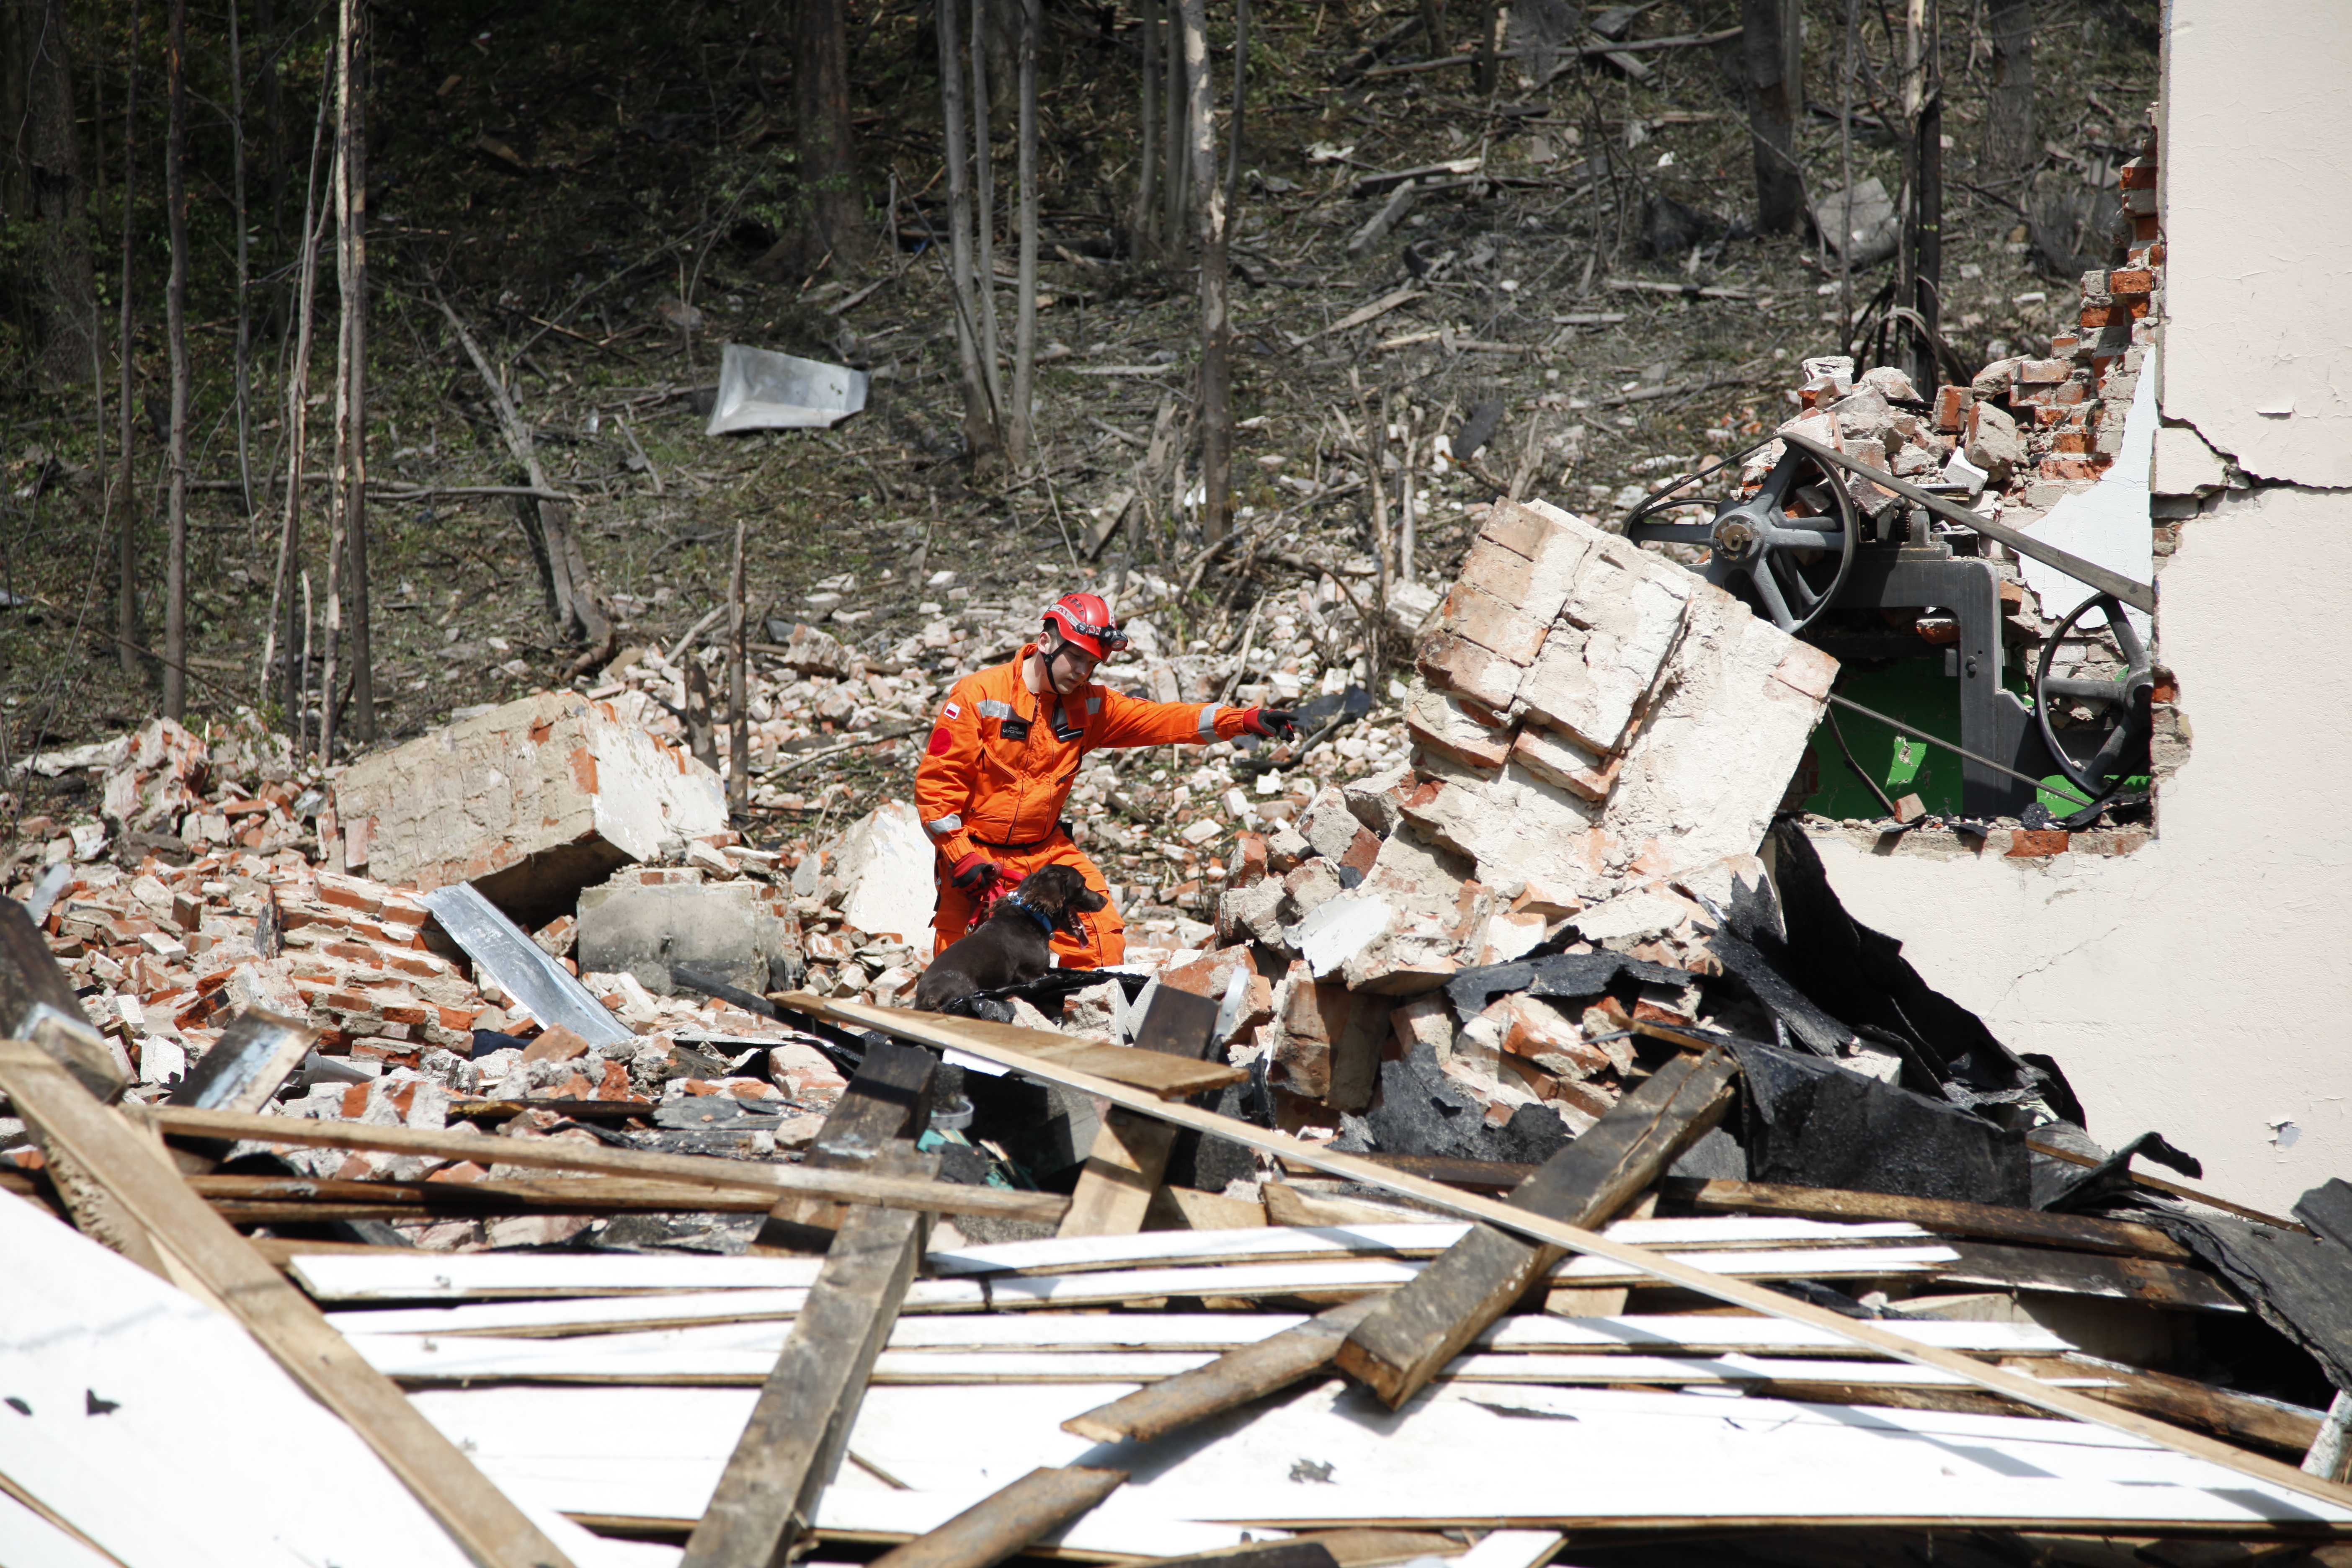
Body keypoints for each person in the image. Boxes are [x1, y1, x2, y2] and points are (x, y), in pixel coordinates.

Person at [914, 591, 1298, 968]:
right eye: (1076, 657)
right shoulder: (979, 695)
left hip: (1046, 851)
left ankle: (1072, 1023)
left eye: (1092, 663)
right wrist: (961, 856)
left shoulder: (1091, 704)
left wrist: (1244, 720)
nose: (1082, 671)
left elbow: (1165, 720)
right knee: (960, 966)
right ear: (1045, 641)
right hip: (975, 854)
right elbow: (937, 786)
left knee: (1099, 946)